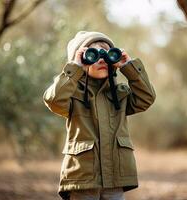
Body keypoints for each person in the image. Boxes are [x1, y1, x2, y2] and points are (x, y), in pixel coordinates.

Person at [43, 31, 156, 200]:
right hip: (83, 179)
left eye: (106, 54)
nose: (101, 59)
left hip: (115, 178)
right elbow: (53, 100)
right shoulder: (72, 94)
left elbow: (146, 98)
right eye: (92, 54)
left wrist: (128, 66)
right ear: (81, 59)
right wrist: (75, 67)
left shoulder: (120, 94)